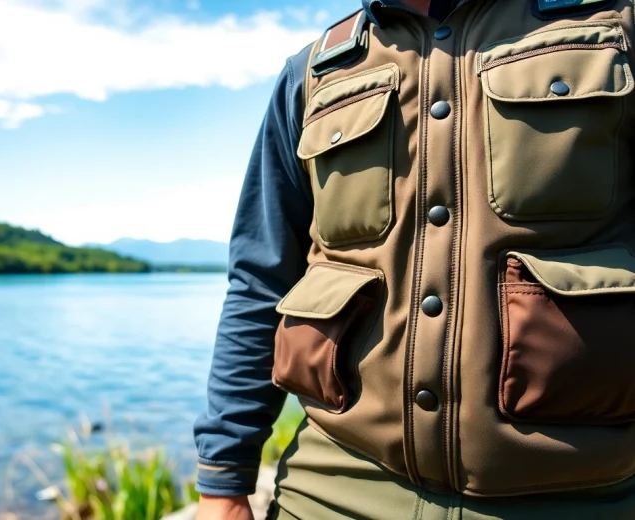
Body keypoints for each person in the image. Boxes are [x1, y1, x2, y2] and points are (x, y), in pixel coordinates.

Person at [193, 0, 635, 517]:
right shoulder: (313, 73)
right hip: (329, 490)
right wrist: (223, 482)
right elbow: (259, 283)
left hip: (589, 495)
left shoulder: (613, 26)